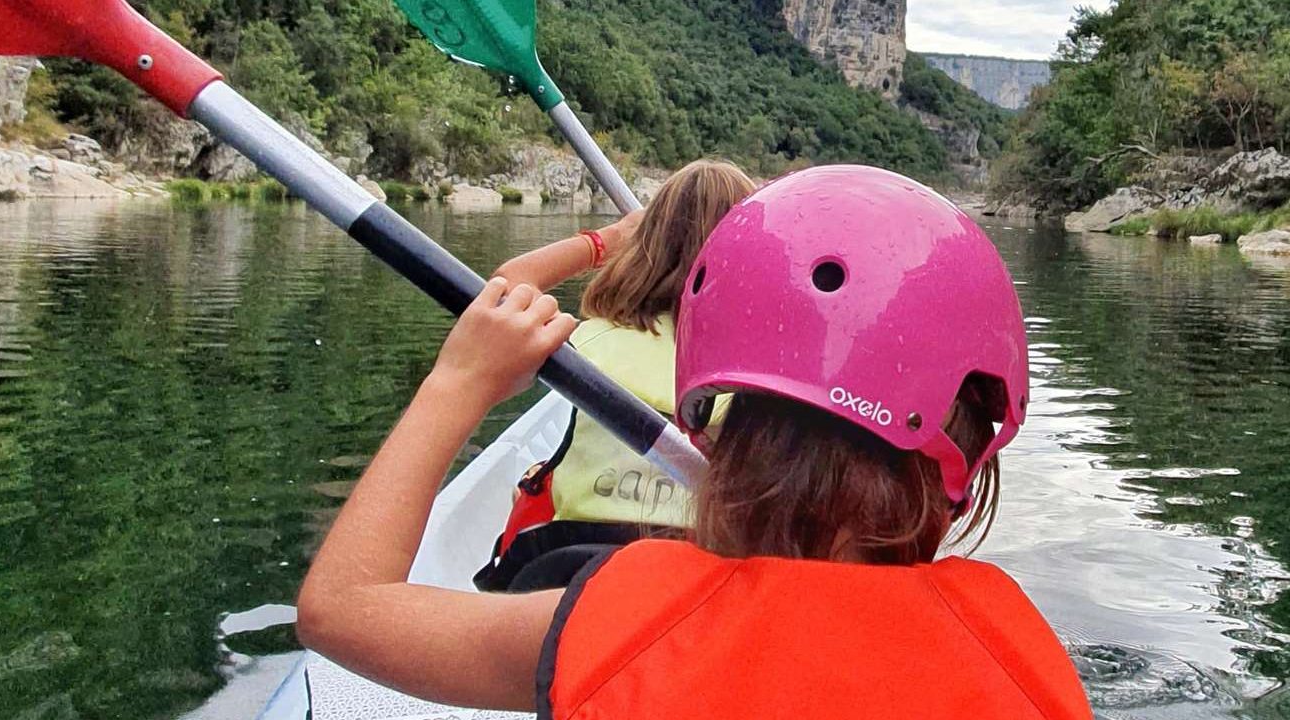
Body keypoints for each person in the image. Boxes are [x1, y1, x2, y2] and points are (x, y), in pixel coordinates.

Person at [297, 165, 1091, 718]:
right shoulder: (1026, 664)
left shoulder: (621, 621)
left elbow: (339, 611)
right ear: (969, 469)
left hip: (556, 564)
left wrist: (456, 383)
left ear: (716, 432)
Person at [476, 160, 756, 592]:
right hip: (695, 579)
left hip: (564, 569)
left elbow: (501, 291)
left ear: (645, 243)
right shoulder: (765, 371)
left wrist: (607, 239)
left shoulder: (586, 339)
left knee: (531, 484)